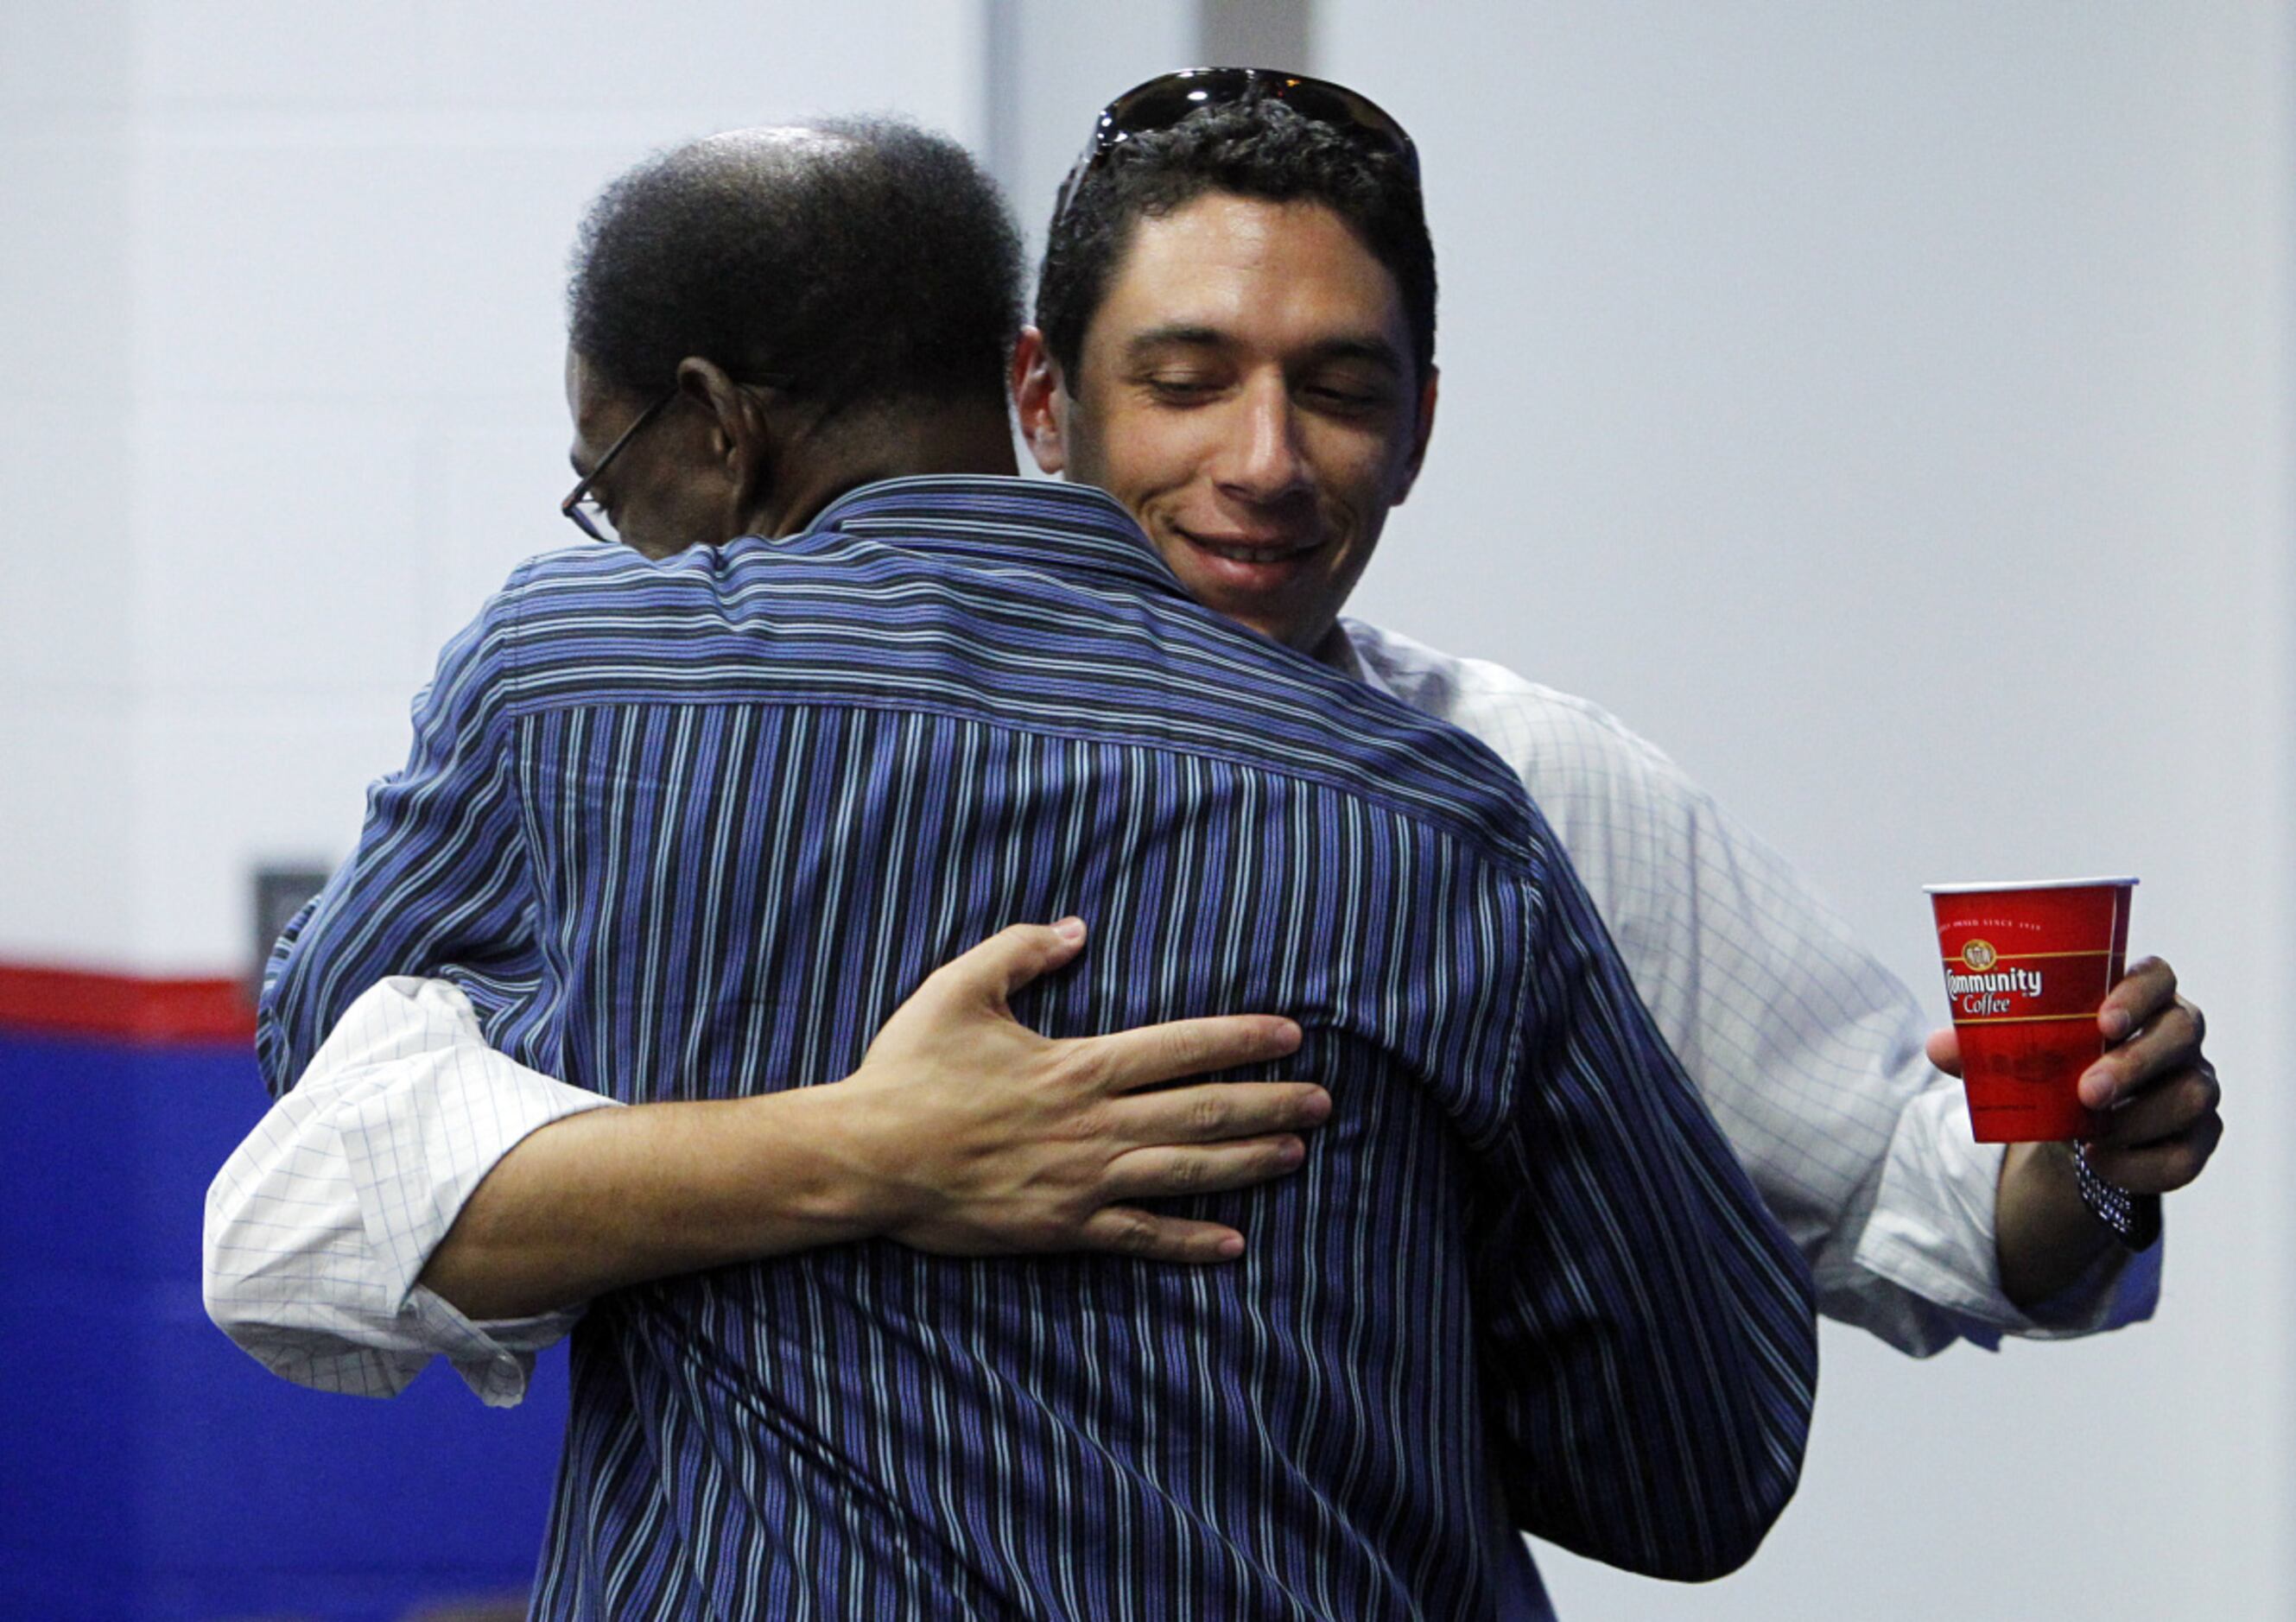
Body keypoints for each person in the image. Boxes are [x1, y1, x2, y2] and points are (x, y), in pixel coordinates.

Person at [213, 117, 1815, 1617]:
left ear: (717, 425)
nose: (617, 535)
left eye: (608, 478)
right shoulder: (1439, 821)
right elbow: (1696, 1467)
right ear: (1024, 391)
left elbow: (339, 1080)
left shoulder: (578, 697)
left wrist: (714, 1144)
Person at [1005, 67, 2220, 1353]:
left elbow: (1913, 1201)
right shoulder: (825, 754)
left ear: (1418, 425)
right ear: (1043, 401)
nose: (1266, 462)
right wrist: (868, 1148)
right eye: (1188, 380)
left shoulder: (1525, 779)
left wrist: (2086, 1154)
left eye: (1341, 392)